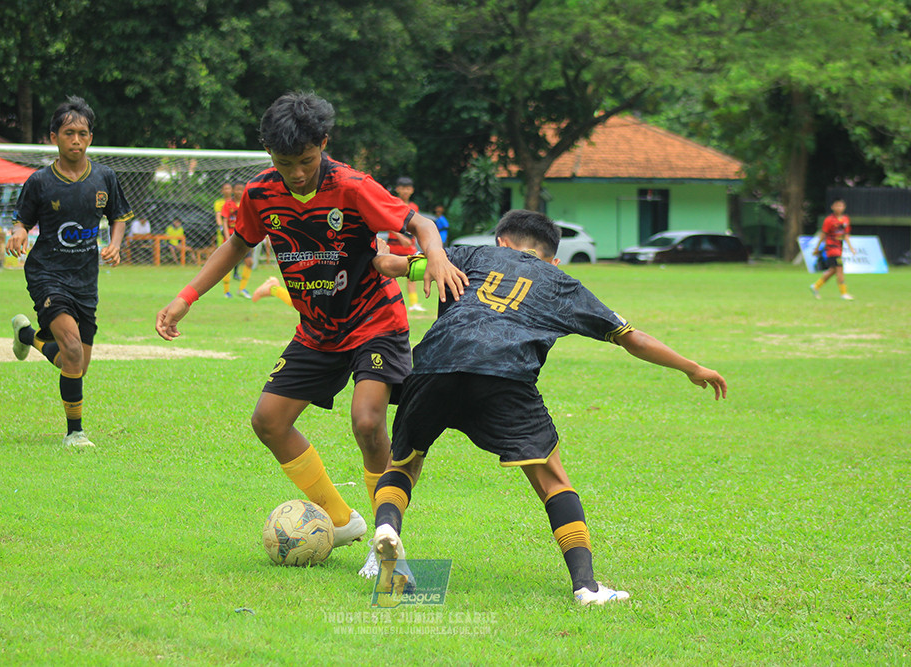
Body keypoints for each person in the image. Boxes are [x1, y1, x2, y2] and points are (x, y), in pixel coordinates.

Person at [155, 91, 467, 568]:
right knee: (269, 421)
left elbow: (418, 223)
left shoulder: (353, 186)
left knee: (367, 421)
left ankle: (386, 537)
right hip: (317, 330)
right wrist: (185, 298)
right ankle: (341, 521)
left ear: (323, 143)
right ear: (269, 153)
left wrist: (437, 256)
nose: (297, 173)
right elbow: (238, 244)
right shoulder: (260, 194)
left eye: (306, 160)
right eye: (285, 163)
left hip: (373, 320)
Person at [366, 209, 728, 604]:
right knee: (552, 478)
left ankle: (387, 527)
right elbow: (632, 338)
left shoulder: (469, 254)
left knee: (403, 464)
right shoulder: (562, 283)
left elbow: (389, 266)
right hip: (504, 374)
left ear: (501, 242)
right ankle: (586, 587)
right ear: (553, 259)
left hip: (435, 365)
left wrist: (378, 249)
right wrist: (691, 368)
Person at [7, 96, 133, 448]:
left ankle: (27, 335)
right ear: (54, 137)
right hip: (47, 274)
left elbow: (119, 217)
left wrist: (115, 244)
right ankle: (75, 433)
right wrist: (18, 232)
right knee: (73, 350)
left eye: (82, 133)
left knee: (75, 363)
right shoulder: (40, 181)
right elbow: (21, 220)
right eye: (68, 133)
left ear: (90, 137)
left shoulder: (105, 177)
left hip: (85, 280)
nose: (75, 140)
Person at [387, 176, 426, 312]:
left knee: (412, 274)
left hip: (409, 246)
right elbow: (387, 222)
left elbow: (416, 226)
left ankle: (413, 303)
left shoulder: (414, 207)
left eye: (408, 188)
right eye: (403, 188)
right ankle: (390, 303)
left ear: (412, 190)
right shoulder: (393, 203)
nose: (405, 191)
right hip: (394, 245)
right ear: (397, 189)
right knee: (389, 275)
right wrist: (400, 237)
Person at [809, 198, 856, 300]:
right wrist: (817, 248)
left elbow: (846, 235)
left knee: (833, 270)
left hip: (839, 248)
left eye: (841, 206)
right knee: (839, 269)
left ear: (844, 207)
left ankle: (816, 286)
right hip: (832, 248)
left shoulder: (845, 219)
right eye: (837, 205)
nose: (839, 208)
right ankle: (844, 293)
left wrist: (851, 248)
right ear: (832, 207)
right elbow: (823, 234)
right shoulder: (829, 220)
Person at [219, 182, 254, 298]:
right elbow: (224, 221)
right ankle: (226, 291)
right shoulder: (228, 204)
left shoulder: (247, 203)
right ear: (233, 190)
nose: (239, 192)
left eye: (241, 189)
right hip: (231, 237)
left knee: (249, 262)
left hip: (244, 237)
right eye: (237, 189)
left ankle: (242, 289)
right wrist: (227, 237)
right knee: (227, 264)